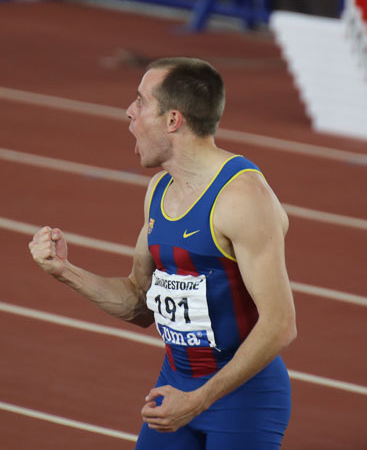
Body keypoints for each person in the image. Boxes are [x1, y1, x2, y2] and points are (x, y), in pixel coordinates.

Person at [29, 57, 297, 449]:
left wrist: (199, 400)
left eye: (140, 102)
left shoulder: (242, 198)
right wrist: (64, 271)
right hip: (175, 386)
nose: (129, 112)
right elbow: (140, 303)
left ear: (173, 120)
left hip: (242, 399)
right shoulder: (159, 191)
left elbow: (280, 324)